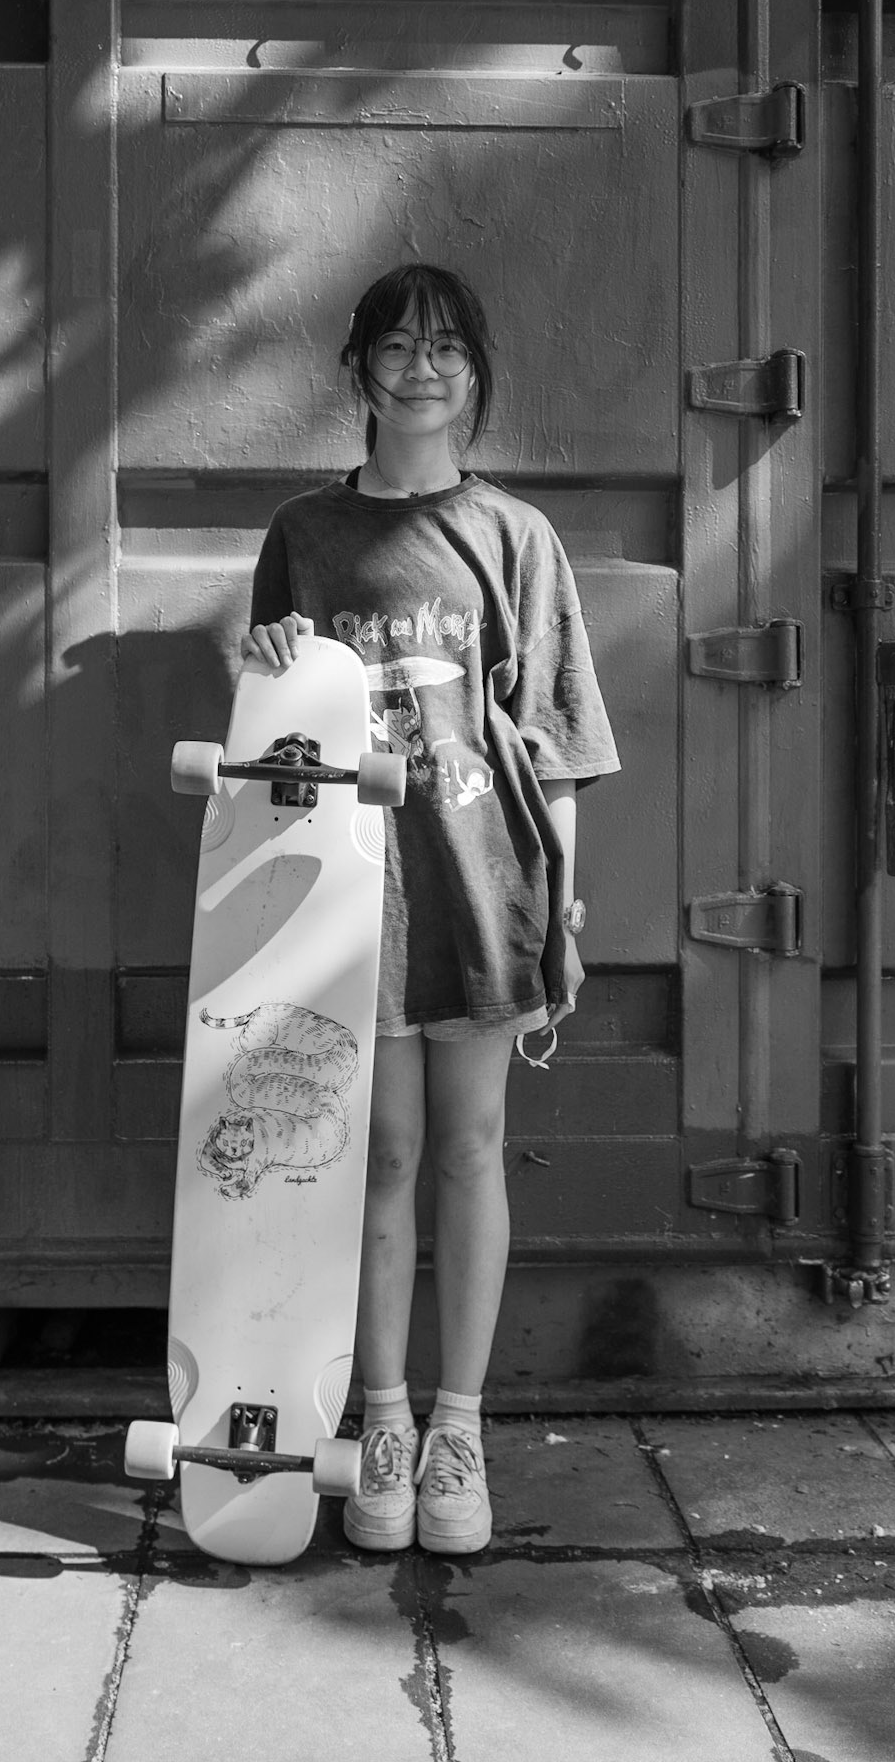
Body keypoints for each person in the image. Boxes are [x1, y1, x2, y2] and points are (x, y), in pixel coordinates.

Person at [241, 262, 620, 1554]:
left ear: (475, 373)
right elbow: (272, 741)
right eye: (397, 347)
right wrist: (268, 661)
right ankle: (384, 1419)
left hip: (481, 890)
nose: (422, 369)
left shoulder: (516, 536)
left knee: (469, 1151)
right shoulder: (303, 533)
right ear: (357, 368)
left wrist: (558, 911)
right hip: (356, 895)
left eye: (447, 347)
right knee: (382, 1158)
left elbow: (556, 743)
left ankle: (460, 1425)